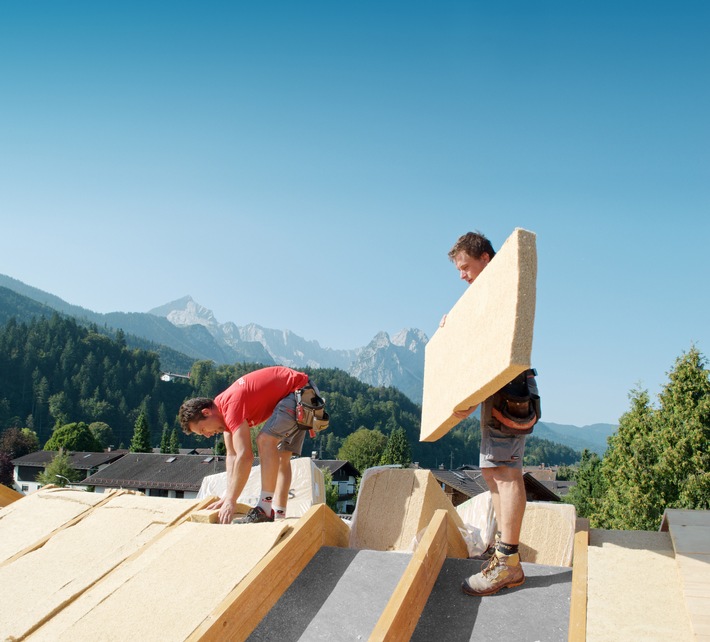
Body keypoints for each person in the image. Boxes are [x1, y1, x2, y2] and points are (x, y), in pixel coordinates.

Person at [444, 231, 539, 597]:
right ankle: (503, 555)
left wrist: (473, 393)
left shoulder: (503, 285)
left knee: (506, 471)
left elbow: (498, 350)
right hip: (495, 393)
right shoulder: (485, 295)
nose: (463, 276)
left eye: (466, 267)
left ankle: (508, 562)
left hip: (508, 388)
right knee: (491, 470)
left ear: (485, 258)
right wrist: (454, 322)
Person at [179, 365, 311, 524]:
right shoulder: (223, 414)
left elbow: (245, 456)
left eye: (203, 429)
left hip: (299, 393)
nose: (207, 435)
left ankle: (264, 508)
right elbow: (232, 455)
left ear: (206, 412)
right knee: (282, 457)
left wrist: (232, 500)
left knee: (265, 441)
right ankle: (280, 514)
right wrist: (229, 496)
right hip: (300, 393)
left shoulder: (230, 406)